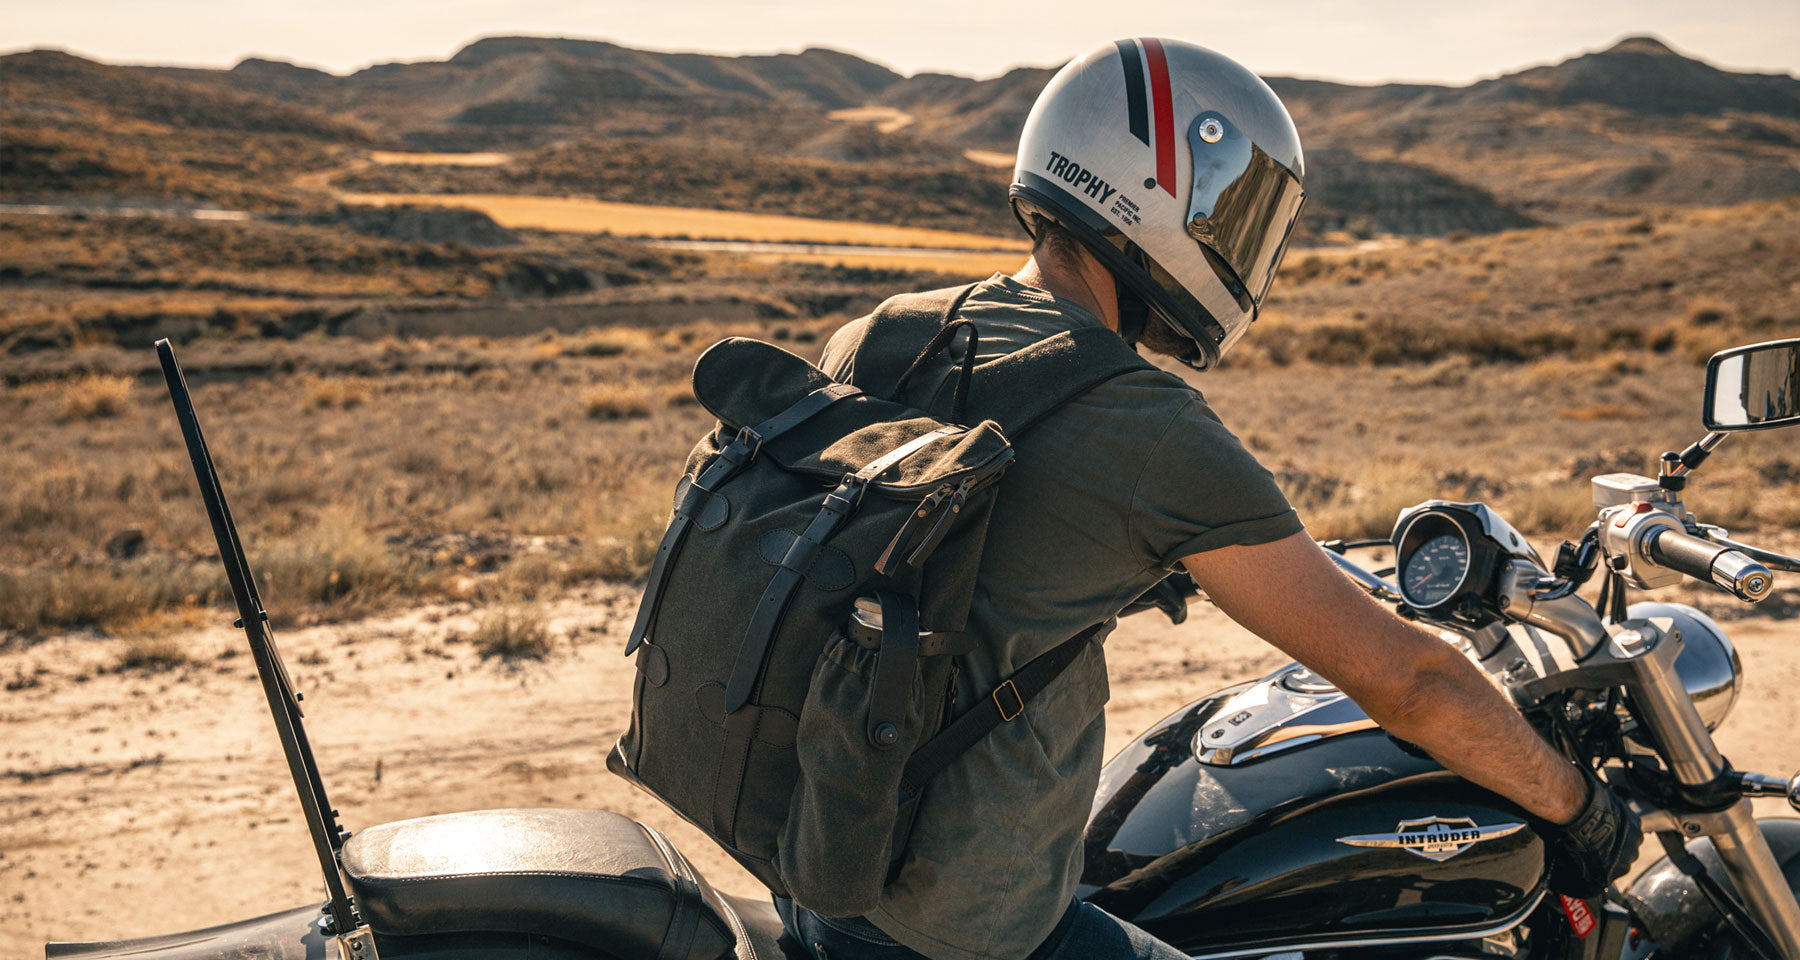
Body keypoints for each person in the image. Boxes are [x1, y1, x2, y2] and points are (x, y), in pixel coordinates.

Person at [779, 38, 1639, 960]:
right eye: (1235, 210)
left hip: (818, 873)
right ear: (1159, 192)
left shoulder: (883, 332)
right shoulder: (1147, 427)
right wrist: (1575, 805)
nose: (1241, 243)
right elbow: (1410, 681)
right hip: (964, 931)